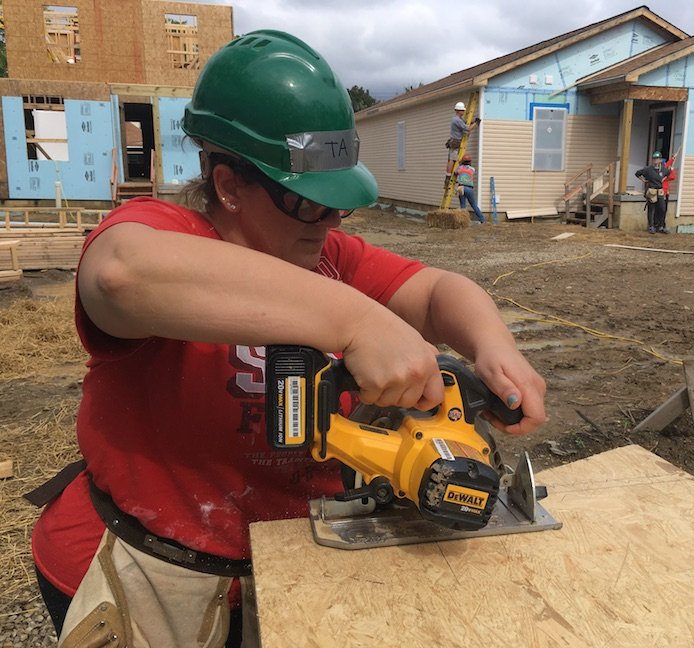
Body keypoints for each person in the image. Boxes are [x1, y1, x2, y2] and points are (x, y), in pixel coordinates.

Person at [29, 30, 546, 647]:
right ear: (228, 184)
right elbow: (118, 275)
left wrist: (495, 347)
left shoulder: (328, 258)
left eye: (338, 204)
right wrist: (356, 322)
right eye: (308, 202)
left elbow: (437, 292)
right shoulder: (165, 234)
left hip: (293, 564)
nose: (328, 221)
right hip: (154, 571)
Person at [635, 151, 672, 233]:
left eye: (657, 159)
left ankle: (661, 226)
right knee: (651, 209)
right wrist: (644, 180)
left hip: (660, 191)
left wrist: (664, 178)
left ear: (660, 160)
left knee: (662, 208)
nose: (655, 160)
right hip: (652, 190)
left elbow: (668, 173)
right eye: (654, 159)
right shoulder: (648, 169)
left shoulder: (663, 169)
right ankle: (651, 226)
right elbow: (637, 173)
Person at [445, 101, 480, 179]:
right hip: (455, 141)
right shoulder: (457, 120)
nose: (464, 112)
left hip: (455, 141)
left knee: (453, 158)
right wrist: (476, 123)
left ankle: (449, 174)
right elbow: (467, 128)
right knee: (452, 159)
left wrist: (473, 122)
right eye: (462, 110)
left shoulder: (459, 119)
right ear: (458, 111)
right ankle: (448, 176)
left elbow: (465, 124)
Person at [455, 155, 485, 223]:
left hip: (461, 188)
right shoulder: (472, 169)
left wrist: (459, 163)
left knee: (463, 205)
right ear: (470, 162)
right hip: (469, 188)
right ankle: (482, 219)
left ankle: (464, 221)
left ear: (462, 161)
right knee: (473, 205)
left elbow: (455, 173)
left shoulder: (459, 168)